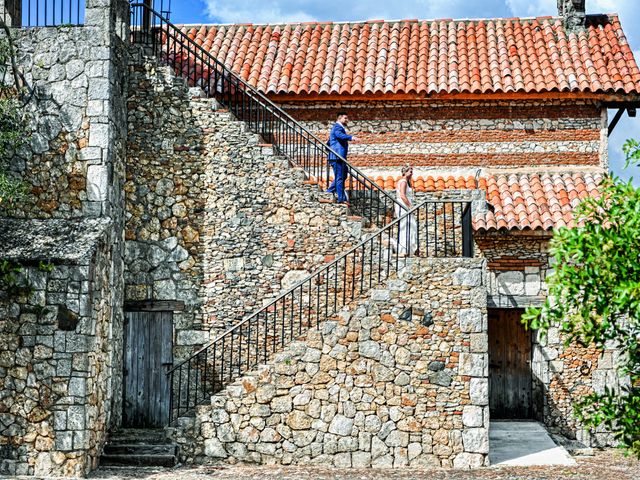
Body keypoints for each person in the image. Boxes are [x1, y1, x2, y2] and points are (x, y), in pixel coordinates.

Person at [326, 112, 358, 204]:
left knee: (343, 175)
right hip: (337, 157)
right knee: (340, 177)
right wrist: (351, 137)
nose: (347, 120)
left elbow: (329, 142)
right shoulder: (337, 127)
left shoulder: (337, 128)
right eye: (345, 118)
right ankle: (341, 198)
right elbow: (340, 135)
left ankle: (330, 191)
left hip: (338, 156)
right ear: (339, 118)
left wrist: (330, 146)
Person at [394, 165, 418, 256]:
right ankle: (404, 249)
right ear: (405, 172)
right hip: (403, 206)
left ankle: (408, 249)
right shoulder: (403, 182)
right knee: (407, 225)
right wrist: (410, 206)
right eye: (410, 171)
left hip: (404, 206)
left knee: (410, 226)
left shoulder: (407, 182)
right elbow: (402, 196)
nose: (411, 173)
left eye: (412, 171)